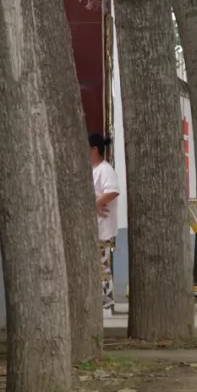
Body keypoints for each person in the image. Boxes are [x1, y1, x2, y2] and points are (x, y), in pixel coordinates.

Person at [89, 132, 121, 317]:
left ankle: (107, 305)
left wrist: (96, 204)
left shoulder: (105, 170)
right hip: (94, 226)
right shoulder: (93, 170)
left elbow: (113, 191)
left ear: (94, 149)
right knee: (97, 266)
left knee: (102, 266)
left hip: (102, 228)